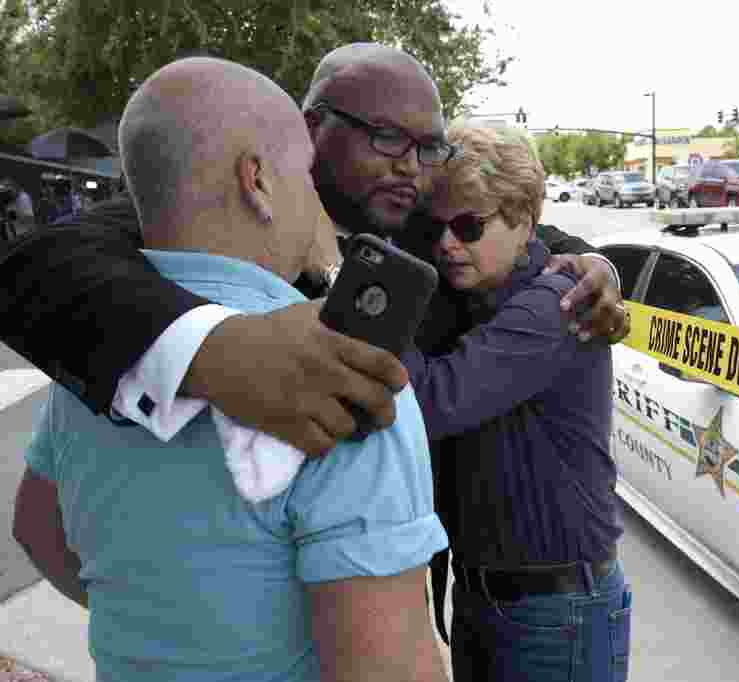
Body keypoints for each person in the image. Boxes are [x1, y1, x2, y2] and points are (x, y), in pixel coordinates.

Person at [12, 57, 449, 682]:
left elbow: (36, 528)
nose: (410, 163)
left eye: (428, 147)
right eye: (305, 174)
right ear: (259, 181)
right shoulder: (336, 374)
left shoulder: (98, 365)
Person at [0, 42, 628, 458]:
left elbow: (510, 218)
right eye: (387, 139)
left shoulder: (413, 223)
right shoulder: (213, 211)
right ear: (310, 130)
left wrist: (591, 260)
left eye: (427, 148)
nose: (412, 167)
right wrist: (215, 353)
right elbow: (38, 267)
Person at [405, 121, 630, 681]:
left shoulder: (554, 304)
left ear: (524, 221)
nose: (446, 243)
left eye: (467, 226)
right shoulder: (483, 291)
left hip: (555, 613)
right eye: (438, 227)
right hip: (490, 597)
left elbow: (431, 401)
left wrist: (368, 296)